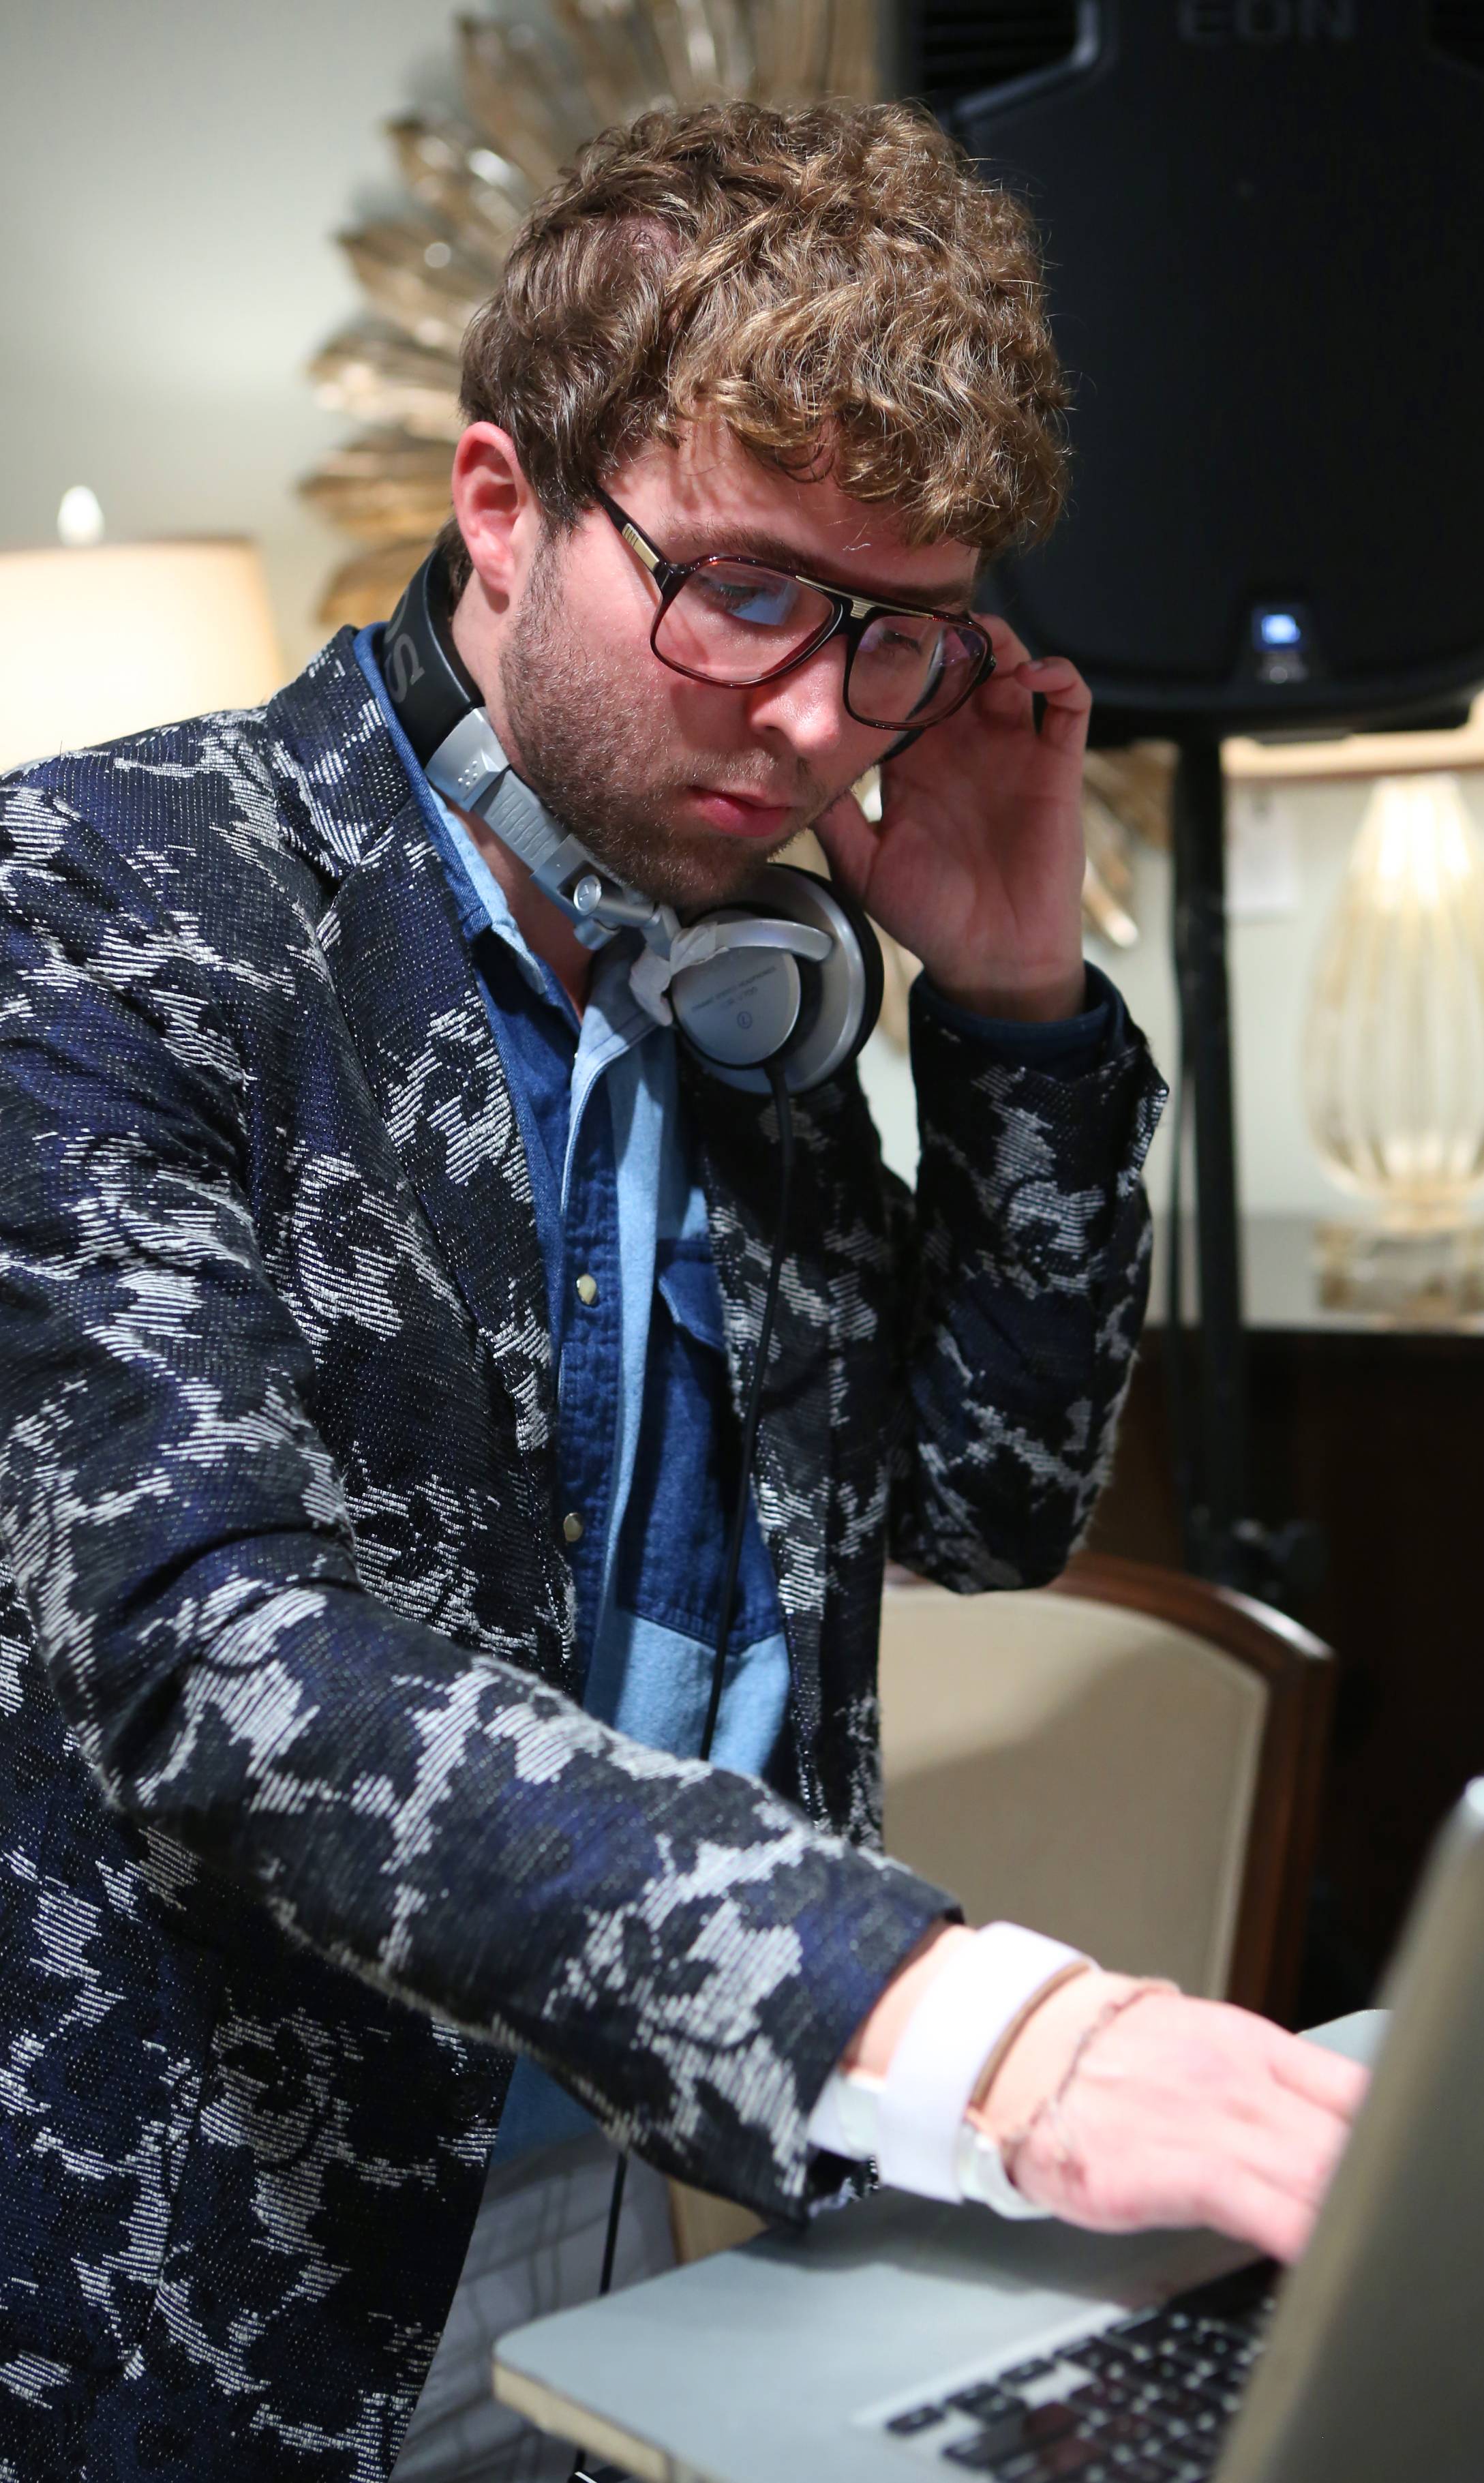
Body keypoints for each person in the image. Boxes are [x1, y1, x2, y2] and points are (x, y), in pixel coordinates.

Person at [0, 100, 1363, 2483]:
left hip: (651, 2178)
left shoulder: (741, 982)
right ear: (501, 505)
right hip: (223, 2269)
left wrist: (1017, 1006)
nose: (822, 721)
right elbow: (213, 1650)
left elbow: (987, 1504)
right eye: (746, 591)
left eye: (900, 633)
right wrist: (973, 2026)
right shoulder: (103, 902)